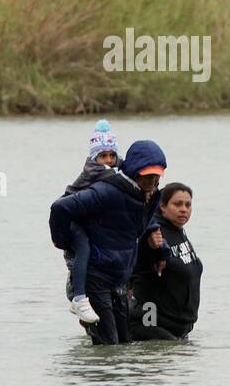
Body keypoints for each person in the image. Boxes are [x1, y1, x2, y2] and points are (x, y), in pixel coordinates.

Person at [49, 140, 170, 345]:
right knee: (108, 346)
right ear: (134, 171)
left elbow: (144, 222)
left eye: (156, 175)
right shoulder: (107, 191)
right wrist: (64, 241)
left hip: (119, 278)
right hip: (94, 278)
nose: (152, 179)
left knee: (124, 344)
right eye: (147, 175)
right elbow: (60, 208)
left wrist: (162, 252)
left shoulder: (149, 195)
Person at [60, 119, 121, 325]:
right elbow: (117, 176)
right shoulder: (94, 170)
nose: (108, 160)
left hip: (87, 219)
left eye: (112, 155)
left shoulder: (113, 167)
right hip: (70, 218)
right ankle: (79, 297)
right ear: (95, 157)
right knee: (83, 249)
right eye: (103, 155)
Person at [130, 183, 203, 341]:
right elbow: (142, 255)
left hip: (178, 328)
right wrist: (149, 242)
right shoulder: (154, 235)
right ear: (162, 206)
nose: (184, 209)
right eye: (177, 204)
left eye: (188, 205)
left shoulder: (177, 230)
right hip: (151, 324)